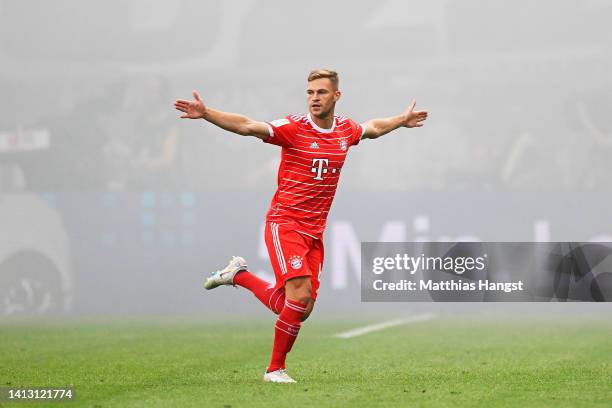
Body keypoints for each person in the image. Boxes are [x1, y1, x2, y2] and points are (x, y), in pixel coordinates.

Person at [174, 69, 428, 383]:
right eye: (310, 92)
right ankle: (274, 370)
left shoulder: (344, 131)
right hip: (285, 224)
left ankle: (238, 275)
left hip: (314, 233)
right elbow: (248, 126)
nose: (314, 98)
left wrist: (400, 121)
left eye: (321, 92)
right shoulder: (293, 128)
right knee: (299, 295)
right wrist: (207, 113)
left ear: (337, 96)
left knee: (299, 308)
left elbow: (372, 128)